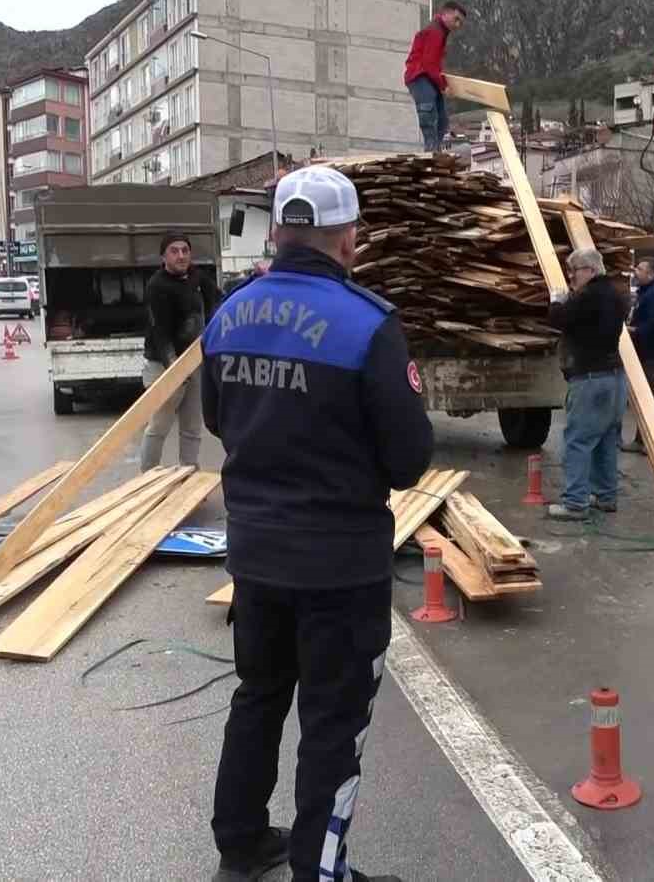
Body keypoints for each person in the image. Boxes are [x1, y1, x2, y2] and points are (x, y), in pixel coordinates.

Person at [205, 165, 432, 882]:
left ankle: (241, 843)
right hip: (339, 566)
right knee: (333, 726)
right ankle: (318, 871)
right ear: (347, 239)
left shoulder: (228, 314)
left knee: (259, 696)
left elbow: (218, 418)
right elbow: (407, 460)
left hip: (257, 555)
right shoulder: (367, 324)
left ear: (277, 232)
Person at [546, 247, 628, 520]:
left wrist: (557, 301)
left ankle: (575, 503)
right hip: (615, 377)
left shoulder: (589, 296)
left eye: (574, 271)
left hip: (590, 378)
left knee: (578, 441)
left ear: (591, 270)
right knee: (605, 439)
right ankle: (606, 496)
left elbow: (559, 319)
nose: (571, 277)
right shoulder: (615, 296)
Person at [140, 231, 222, 471]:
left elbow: (219, 300)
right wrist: (173, 365)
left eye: (185, 250)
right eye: (174, 251)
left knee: (192, 426)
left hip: (194, 361)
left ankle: (188, 473)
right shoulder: (157, 286)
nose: (181, 255)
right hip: (165, 365)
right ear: (163, 256)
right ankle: (146, 476)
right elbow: (159, 331)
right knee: (159, 425)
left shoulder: (198, 278)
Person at [621, 256, 654, 455]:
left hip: (652, 355)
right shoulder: (644, 294)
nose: (636, 271)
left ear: (651, 274)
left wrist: (634, 330)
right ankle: (641, 439)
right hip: (642, 354)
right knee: (643, 400)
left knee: (653, 400)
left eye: (640, 269)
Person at [403, 1, 468, 153]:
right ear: (445, 14)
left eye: (461, 23)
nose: (457, 25)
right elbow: (429, 64)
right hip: (419, 76)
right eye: (456, 19)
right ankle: (431, 150)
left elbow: (435, 64)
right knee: (429, 113)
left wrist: (443, 82)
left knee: (442, 119)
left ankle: (435, 150)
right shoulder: (436, 32)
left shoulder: (441, 32)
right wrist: (444, 86)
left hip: (427, 77)